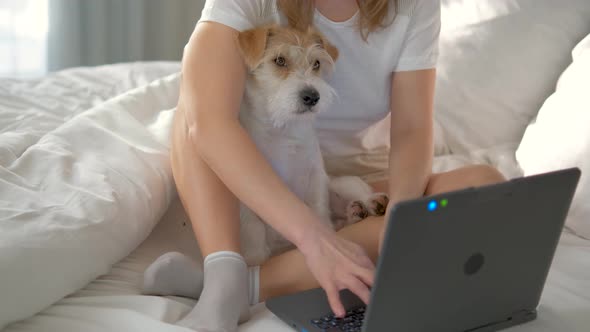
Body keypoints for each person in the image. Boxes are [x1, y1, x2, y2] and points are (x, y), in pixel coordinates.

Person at [142, 0, 506, 331]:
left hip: (360, 176)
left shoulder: (413, 7)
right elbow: (208, 122)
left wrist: (400, 221)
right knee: (196, 103)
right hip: (254, 167)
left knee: (485, 186)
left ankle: (246, 284)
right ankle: (224, 268)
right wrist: (313, 237)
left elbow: (412, 129)